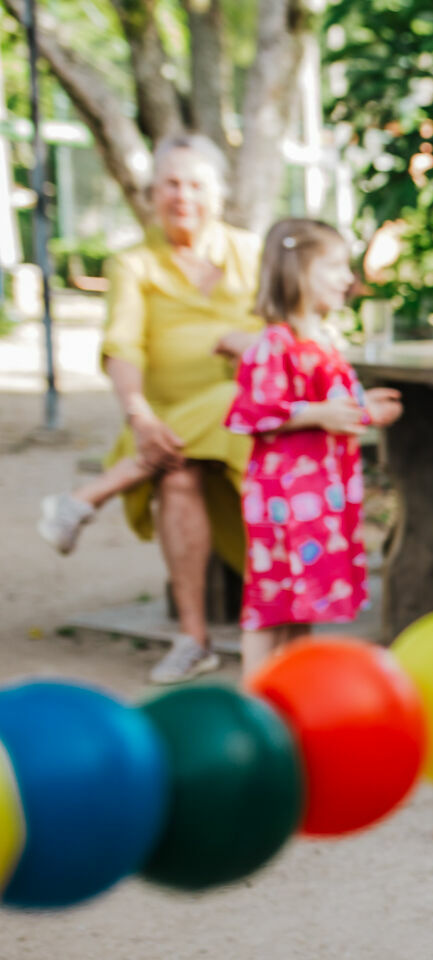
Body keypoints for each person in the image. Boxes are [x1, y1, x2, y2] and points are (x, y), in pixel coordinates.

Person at [37, 134, 263, 684]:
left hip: (256, 421)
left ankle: (85, 498)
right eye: (170, 184)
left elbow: (293, 332)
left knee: (236, 394)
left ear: (218, 193)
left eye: (194, 184)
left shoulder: (253, 252)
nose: (182, 196)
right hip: (163, 424)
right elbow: (123, 346)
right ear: (152, 194)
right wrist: (138, 414)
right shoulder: (133, 264)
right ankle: (193, 640)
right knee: (177, 474)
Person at [223, 220, 402, 676]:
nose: (348, 277)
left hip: (319, 495)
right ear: (298, 270)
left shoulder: (321, 340)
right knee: (271, 603)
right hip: (283, 498)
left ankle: (288, 696)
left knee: (297, 604)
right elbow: (253, 411)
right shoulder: (275, 342)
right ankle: (257, 701)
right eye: (335, 266)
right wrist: (318, 414)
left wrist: (363, 409)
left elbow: (324, 405)